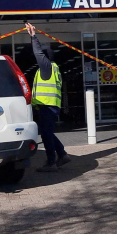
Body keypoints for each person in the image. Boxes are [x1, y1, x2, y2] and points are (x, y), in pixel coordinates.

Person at [25, 23, 71, 172]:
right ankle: (62, 154)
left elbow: (38, 53)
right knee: (47, 132)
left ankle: (51, 162)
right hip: (49, 106)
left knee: (45, 134)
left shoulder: (47, 67)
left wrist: (33, 36)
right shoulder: (53, 69)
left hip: (48, 107)